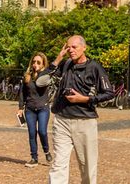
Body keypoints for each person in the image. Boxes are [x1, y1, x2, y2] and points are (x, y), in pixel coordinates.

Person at [41, 35, 114, 184]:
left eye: (74, 47)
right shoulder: (65, 64)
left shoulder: (94, 67)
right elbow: (41, 82)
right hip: (62, 120)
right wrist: (58, 58)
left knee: (87, 167)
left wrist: (85, 99)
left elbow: (109, 93)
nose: (71, 50)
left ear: (84, 47)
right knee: (58, 165)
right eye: (68, 47)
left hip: (85, 121)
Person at [21, 51, 54, 167]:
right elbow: (22, 92)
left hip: (43, 108)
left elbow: (52, 68)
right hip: (29, 109)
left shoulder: (45, 75)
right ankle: (34, 158)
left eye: (38, 62)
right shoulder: (27, 76)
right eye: (34, 62)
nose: (35, 64)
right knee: (32, 133)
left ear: (43, 64)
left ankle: (47, 151)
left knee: (42, 131)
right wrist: (20, 107)